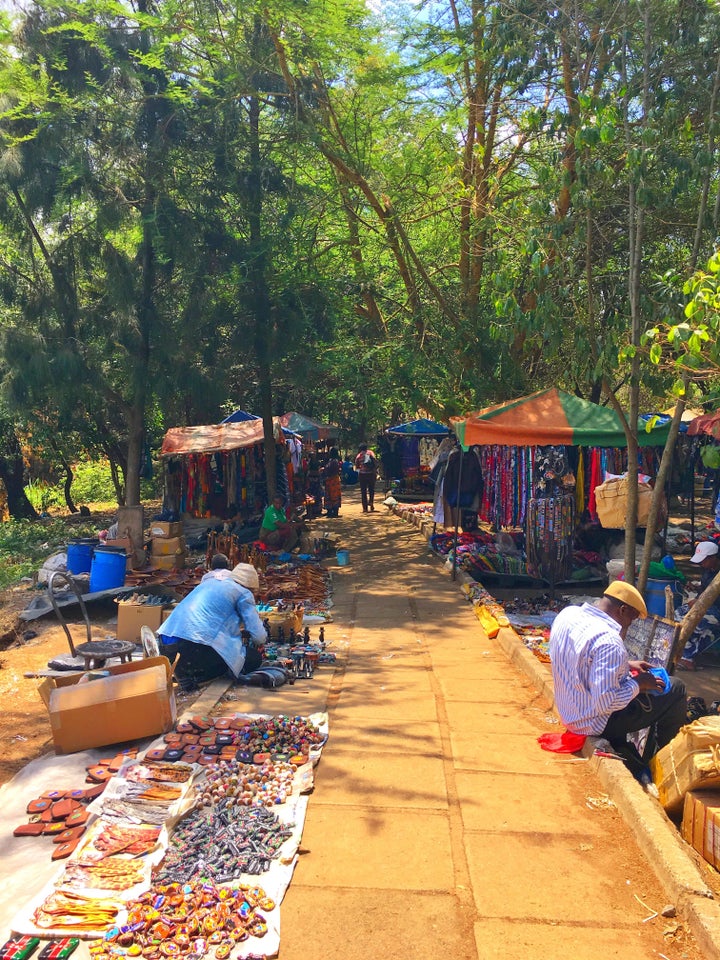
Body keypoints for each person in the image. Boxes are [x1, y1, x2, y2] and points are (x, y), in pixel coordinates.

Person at [549, 581, 686, 764]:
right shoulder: (610, 641)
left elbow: (579, 657)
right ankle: (666, 760)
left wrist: (625, 666)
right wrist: (639, 684)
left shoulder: (568, 614)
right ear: (623, 610)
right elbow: (606, 702)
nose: (630, 624)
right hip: (593, 722)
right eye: (632, 618)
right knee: (676, 688)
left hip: (569, 711)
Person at [157, 562, 266, 682]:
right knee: (253, 658)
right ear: (250, 587)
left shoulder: (209, 583)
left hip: (166, 646)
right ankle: (199, 676)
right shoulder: (244, 593)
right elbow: (259, 637)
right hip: (192, 648)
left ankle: (187, 674)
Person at [676, 540, 720, 670]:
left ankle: (688, 658)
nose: (701, 564)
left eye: (703, 560)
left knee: (697, 623)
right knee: (678, 614)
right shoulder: (707, 570)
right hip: (707, 606)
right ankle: (681, 652)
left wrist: (700, 603)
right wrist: (696, 588)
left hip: (716, 611)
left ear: (713, 558)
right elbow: (707, 589)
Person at [354, 443, 378, 512]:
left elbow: (357, 466)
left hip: (362, 475)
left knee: (363, 491)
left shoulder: (358, 456)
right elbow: (375, 461)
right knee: (371, 490)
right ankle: (371, 502)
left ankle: (365, 508)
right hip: (371, 474)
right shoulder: (370, 453)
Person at [323, 447, 342, 517]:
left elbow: (332, 471)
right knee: (331, 495)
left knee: (332, 496)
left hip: (332, 480)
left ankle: (333, 511)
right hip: (332, 480)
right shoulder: (333, 461)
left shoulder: (333, 461)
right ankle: (331, 511)